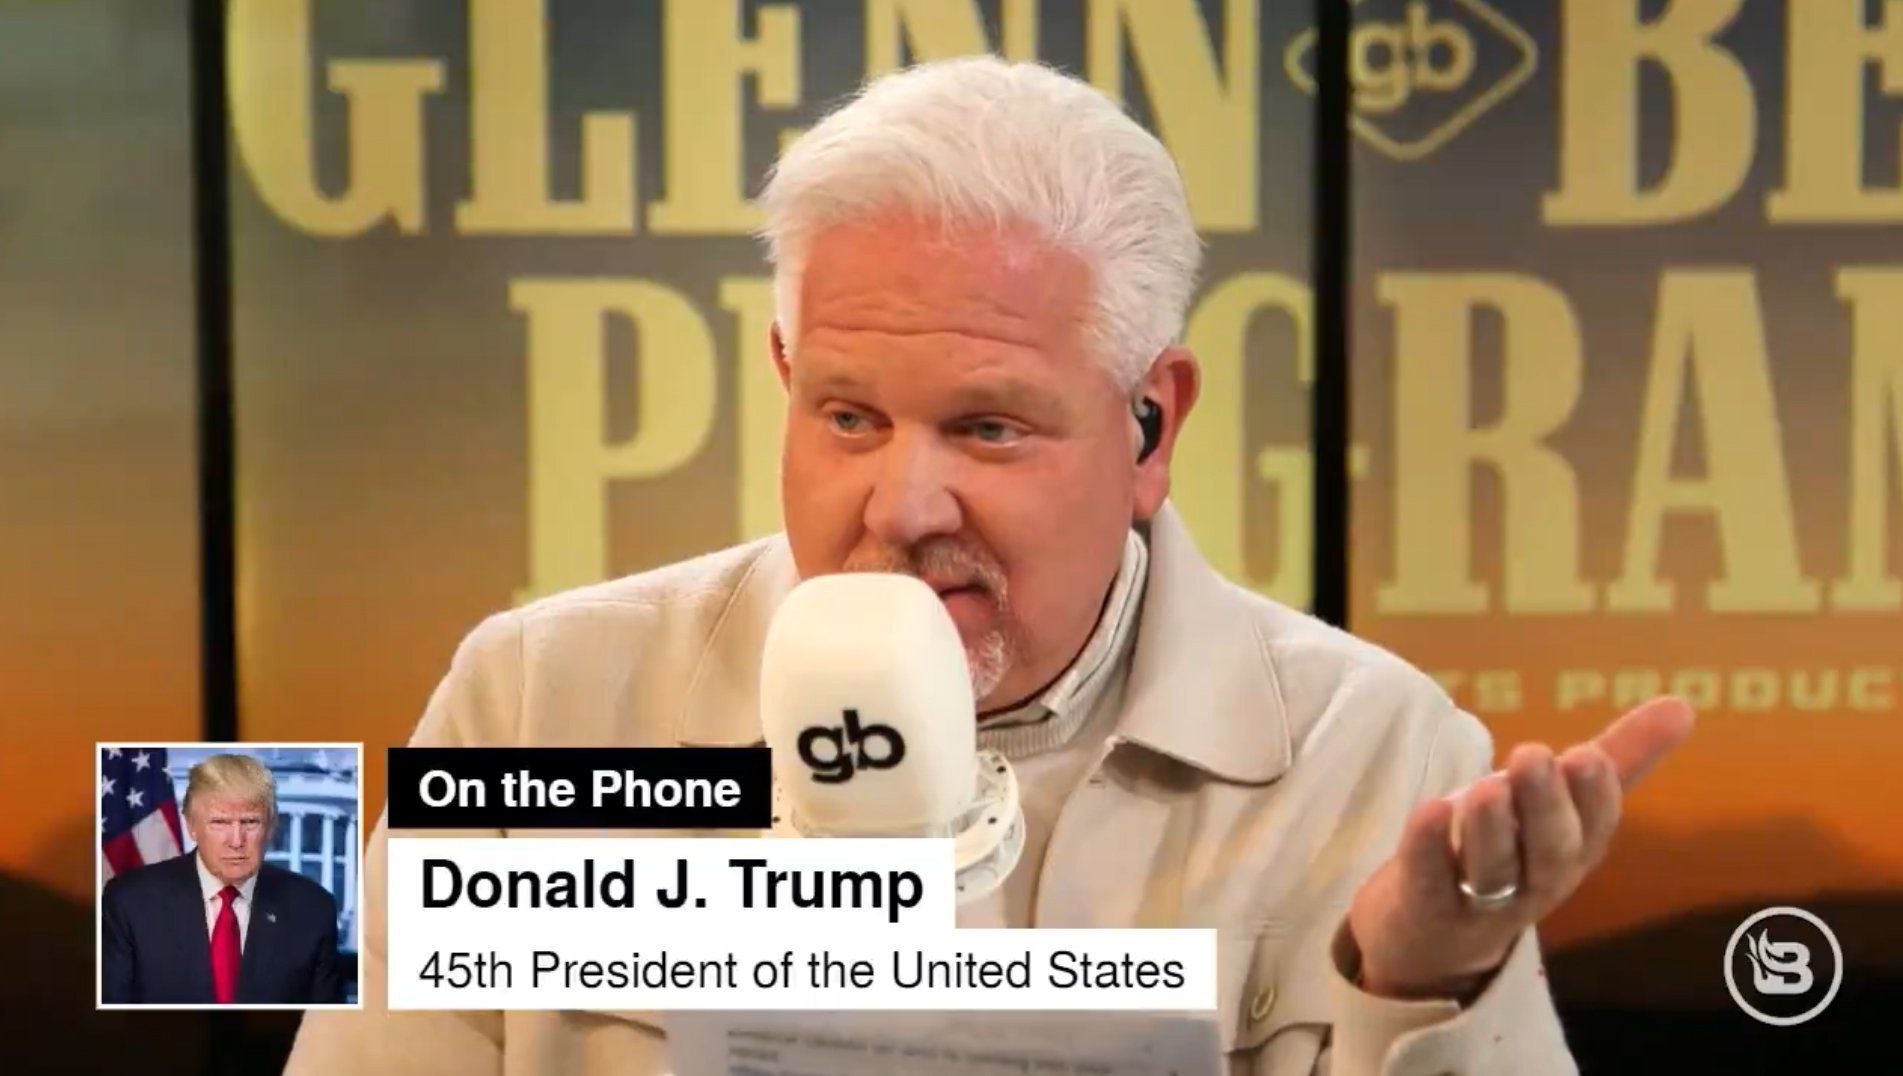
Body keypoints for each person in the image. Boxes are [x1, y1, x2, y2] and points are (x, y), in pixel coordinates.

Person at [289, 56, 1693, 1073]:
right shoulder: (538, 703)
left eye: (986, 427)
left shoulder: (1372, 755)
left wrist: (1421, 983)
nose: (901, 506)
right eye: (847, 417)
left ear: (1150, 426)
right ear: (783, 375)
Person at [101, 753, 343, 1005]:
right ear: (191, 825)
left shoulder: (313, 909)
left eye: (250, 822)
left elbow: (325, 1024)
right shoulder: (131, 902)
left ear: (270, 827)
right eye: (220, 822)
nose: (236, 841)